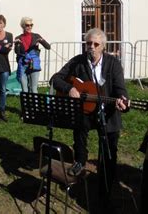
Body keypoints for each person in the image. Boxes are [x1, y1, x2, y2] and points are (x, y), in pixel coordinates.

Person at [50, 28, 130, 203]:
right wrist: (69, 88)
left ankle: (107, 179)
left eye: (95, 44)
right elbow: (55, 78)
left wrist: (123, 101)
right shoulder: (78, 62)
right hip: (85, 110)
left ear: (103, 47)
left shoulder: (113, 63)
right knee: (79, 129)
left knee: (109, 145)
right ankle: (80, 161)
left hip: (106, 111)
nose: (91, 47)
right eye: (88, 43)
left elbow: (120, 88)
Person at [15, 17, 50, 93]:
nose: (30, 27)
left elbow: (48, 47)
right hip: (23, 65)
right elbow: (17, 52)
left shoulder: (36, 36)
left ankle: (34, 105)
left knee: (34, 89)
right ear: (23, 26)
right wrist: (17, 44)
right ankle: (26, 105)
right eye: (27, 25)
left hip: (34, 64)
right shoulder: (18, 38)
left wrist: (42, 41)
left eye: (31, 25)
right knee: (24, 90)